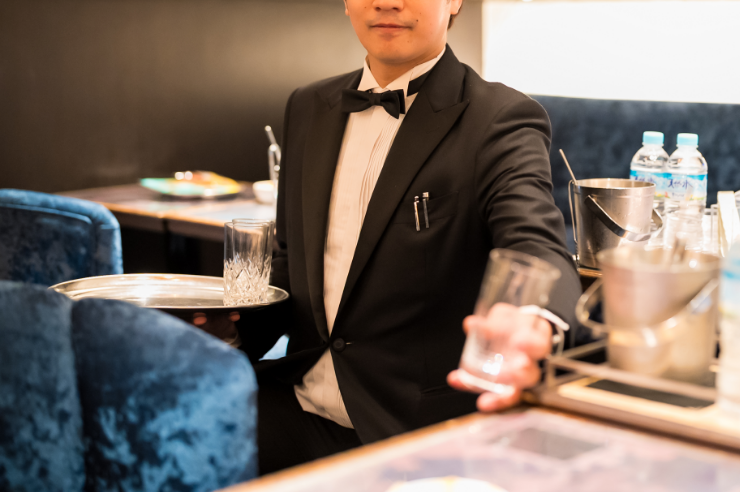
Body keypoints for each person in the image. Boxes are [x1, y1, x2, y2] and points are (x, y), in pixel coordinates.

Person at [253, 0, 582, 475]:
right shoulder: (307, 105)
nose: (387, 1)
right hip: (294, 406)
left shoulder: (500, 117)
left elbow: (536, 242)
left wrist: (531, 316)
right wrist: (230, 328)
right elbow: (290, 261)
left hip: (413, 432)